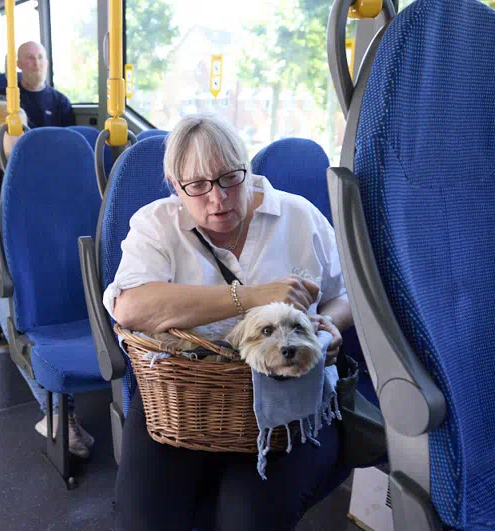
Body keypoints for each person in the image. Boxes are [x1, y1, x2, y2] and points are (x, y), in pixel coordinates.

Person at [103, 114, 353, 531]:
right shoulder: (157, 224)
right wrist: (251, 296)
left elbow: (342, 295)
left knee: (247, 520)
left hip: (288, 406)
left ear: (247, 168)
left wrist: (328, 326)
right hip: (184, 401)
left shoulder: (300, 217)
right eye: (196, 186)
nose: (217, 198)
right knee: (143, 519)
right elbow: (130, 307)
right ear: (174, 185)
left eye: (229, 178)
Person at [0, 101, 94, 459]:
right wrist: (5, 268)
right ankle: (57, 414)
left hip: (32, 273)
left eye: (24, 127)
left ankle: (61, 414)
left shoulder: (34, 177)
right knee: (19, 316)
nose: (22, 135)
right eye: (13, 128)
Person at [0, 41, 74, 128]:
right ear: (18, 64)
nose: (36, 63)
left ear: (47, 64)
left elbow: (69, 138)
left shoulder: (61, 102)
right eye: (30, 57)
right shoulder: (4, 97)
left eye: (40, 57)